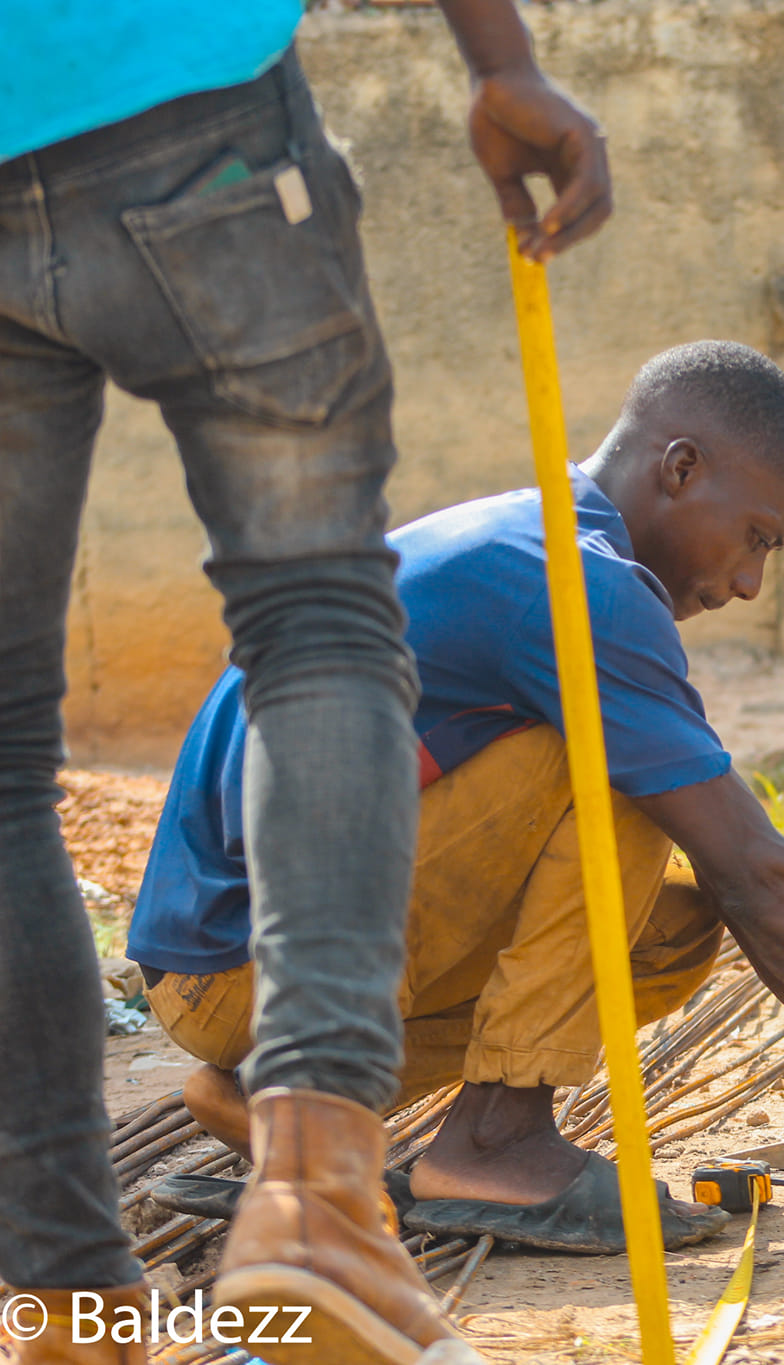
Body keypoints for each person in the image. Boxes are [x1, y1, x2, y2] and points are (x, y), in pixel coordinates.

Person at [127, 341, 784, 1255]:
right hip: (245, 961)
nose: (749, 581)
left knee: (667, 939)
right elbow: (757, 870)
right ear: (679, 468)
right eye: (756, 537)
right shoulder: (577, 583)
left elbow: (740, 896)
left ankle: (285, 1095)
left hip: (233, 967)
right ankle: (493, 1143)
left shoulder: (542, 538)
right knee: (623, 777)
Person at [0, 3, 609, 1362]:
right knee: (317, 628)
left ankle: (68, 1304)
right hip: (188, 103)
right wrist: (501, 62)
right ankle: (318, 1201)